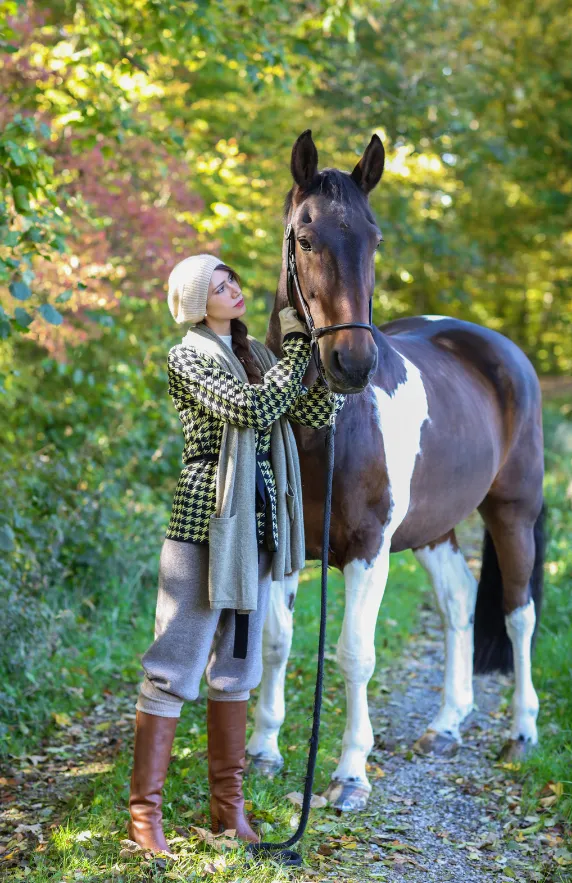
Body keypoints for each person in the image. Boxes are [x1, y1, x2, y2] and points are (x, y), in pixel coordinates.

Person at [127, 254, 346, 855]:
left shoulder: (259, 356)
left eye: (233, 279)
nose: (233, 288)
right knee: (175, 661)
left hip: (257, 524)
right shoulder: (189, 355)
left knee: (236, 667)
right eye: (218, 285)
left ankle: (231, 811)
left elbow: (306, 412)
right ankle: (144, 817)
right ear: (198, 303)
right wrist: (299, 353)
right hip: (209, 517)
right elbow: (252, 411)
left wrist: (330, 367)